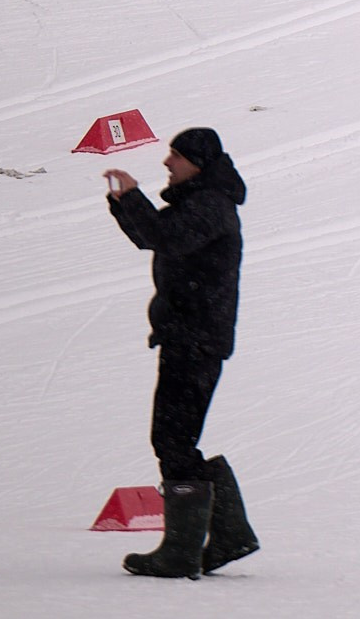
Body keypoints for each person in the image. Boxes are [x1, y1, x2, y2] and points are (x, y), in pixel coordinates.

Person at [106, 128, 257, 579]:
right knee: (175, 440)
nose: (167, 162)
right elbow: (155, 237)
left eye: (175, 155)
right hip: (189, 336)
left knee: (172, 441)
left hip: (195, 339)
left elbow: (163, 237)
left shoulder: (210, 204)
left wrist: (130, 198)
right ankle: (228, 535)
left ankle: (184, 551)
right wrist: (125, 204)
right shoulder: (202, 202)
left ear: (197, 162)